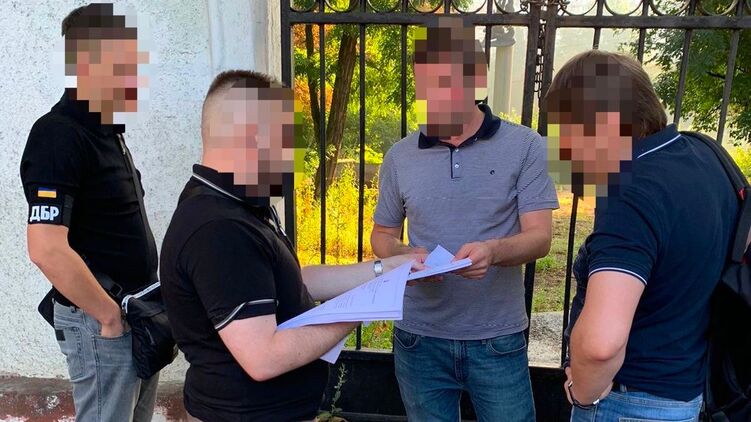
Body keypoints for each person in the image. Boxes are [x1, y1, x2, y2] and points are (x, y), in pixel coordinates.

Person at [159, 70, 423, 421]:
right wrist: (370, 303)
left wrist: (385, 270)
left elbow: (292, 280)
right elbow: (264, 357)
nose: (297, 151)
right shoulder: (220, 228)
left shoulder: (232, 205)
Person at [370, 16, 559, 422]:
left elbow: (540, 237)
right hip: (419, 337)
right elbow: (382, 235)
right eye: (427, 82)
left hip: (496, 337)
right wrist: (404, 254)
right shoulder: (399, 156)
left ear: (476, 78)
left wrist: (493, 251)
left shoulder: (526, 146)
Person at [546, 50, 739, 422]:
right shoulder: (705, 156)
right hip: (687, 395)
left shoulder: (629, 189)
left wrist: (582, 393)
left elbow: (601, 345)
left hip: (630, 402)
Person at [20, 3, 157, 421]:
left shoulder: (106, 133)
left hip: (134, 319)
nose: (133, 72)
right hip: (101, 324)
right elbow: (46, 248)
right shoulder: (58, 135)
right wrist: (108, 316)